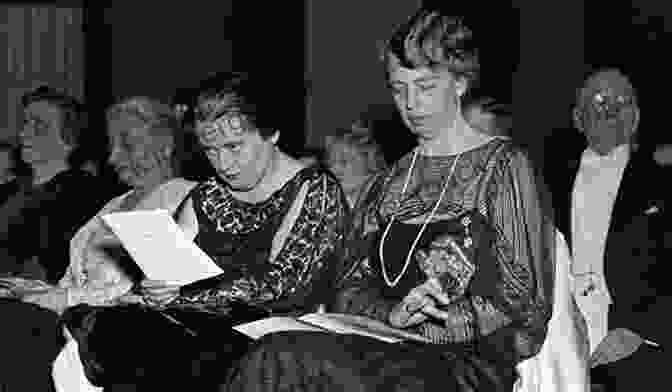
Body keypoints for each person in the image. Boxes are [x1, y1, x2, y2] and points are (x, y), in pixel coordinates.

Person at [224, 7, 556, 392]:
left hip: (463, 368)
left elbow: (524, 301)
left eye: (426, 87)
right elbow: (348, 290)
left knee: (285, 358)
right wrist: (395, 315)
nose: (411, 104)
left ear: (461, 83)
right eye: (399, 89)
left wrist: (436, 323)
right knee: (272, 351)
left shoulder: (504, 166)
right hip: (386, 349)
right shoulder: (388, 182)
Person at [60, 71, 350, 390]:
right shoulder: (210, 195)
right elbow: (167, 268)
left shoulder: (315, 190)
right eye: (211, 151)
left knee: (134, 344)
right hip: (199, 328)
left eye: (234, 146)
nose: (223, 163)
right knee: (113, 331)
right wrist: (156, 286)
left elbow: (284, 288)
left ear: (272, 133)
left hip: (275, 338)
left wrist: (184, 294)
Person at [0, 96, 198, 392]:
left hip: (118, 334)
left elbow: (147, 293)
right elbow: (70, 279)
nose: (114, 158)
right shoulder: (113, 204)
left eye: (128, 145)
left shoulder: (187, 200)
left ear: (165, 146)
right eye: (113, 146)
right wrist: (36, 290)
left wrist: (61, 298)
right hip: (73, 319)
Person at [548, 68, 672, 391]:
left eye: (623, 100)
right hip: (559, 344)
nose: (612, 107)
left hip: (636, 351)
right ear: (577, 118)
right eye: (600, 100)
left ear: (637, 117)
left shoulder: (664, 182)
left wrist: (640, 330)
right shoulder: (546, 183)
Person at [0, 86, 108, 283]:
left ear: (69, 139)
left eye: (39, 126)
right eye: (25, 123)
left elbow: (54, 263)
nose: (24, 133)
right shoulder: (11, 190)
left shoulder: (82, 194)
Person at [324, 121, 387, 207]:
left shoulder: (386, 202)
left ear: (370, 162)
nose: (334, 169)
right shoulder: (327, 203)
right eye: (330, 163)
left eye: (344, 161)